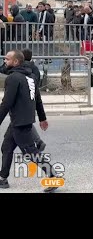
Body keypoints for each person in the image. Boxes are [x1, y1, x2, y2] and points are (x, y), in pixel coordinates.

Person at [0, 50, 58, 192]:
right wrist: (42, 118)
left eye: (7, 59)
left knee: (31, 153)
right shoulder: (31, 76)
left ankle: (53, 176)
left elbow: (6, 103)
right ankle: (3, 178)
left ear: (15, 62)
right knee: (7, 147)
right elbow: (38, 99)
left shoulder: (13, 78)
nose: (4, 62)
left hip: (20, 122)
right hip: (20, 121)